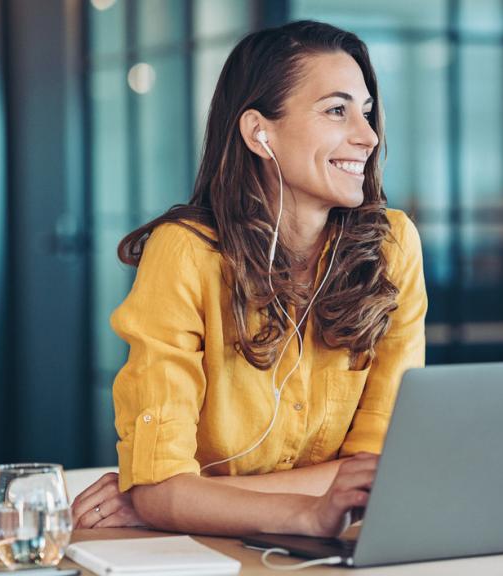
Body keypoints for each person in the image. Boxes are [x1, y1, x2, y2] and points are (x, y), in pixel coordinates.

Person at [70, 20, 426, 538]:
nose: (367, 136)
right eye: (336, 110)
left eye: (367, 113)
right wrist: (304, 507)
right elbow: (161, 485)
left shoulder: (393, 247)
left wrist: (178, 500)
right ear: (261, 132)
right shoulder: (187, 253)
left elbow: (377, 476)